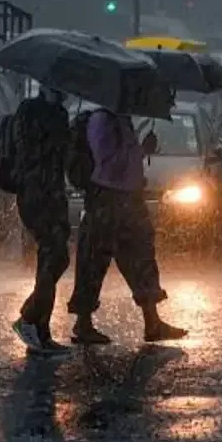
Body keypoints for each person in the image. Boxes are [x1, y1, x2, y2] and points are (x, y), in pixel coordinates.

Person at [68, 108, 187, 345]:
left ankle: (152, 322)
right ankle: (83, 324)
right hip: (108, 199)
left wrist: (143, 150)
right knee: (93, 261)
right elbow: (107, 163)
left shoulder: (122, 120)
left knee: (141, 258)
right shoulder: (101, 121)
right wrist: (139, 151)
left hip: (129, 199)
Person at [9, 86, 73, 354]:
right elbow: (32, 151)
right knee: (53, 254)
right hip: (35, 194)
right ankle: (32, 323)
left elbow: (63, 158)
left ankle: (35, 321)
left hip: (55, 193)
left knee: (58, 257)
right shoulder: (29, 110)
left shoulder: (60, 113)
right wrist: (58, 136)